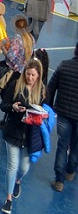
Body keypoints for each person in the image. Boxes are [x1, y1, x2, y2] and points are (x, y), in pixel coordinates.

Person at [0, 58, 45, 214]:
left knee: (24, 167)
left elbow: (46, 111)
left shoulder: (41, 92)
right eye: (28, 74)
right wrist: (12, 107)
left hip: (29, 135)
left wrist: (41, 115)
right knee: (12, 165)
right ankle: (9, 199)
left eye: (33, 75)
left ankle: (18, 181)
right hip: (13, 131)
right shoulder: (15, 86)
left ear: (38, 76)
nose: (30, 78)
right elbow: (3, 105)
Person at [47, 43, 78, 192]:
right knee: (76, 145)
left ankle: (59, 181)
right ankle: (70, 171)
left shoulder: (63, 66)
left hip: (64, 113)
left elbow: (51, 88)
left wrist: (48, 107)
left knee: (62, 145)